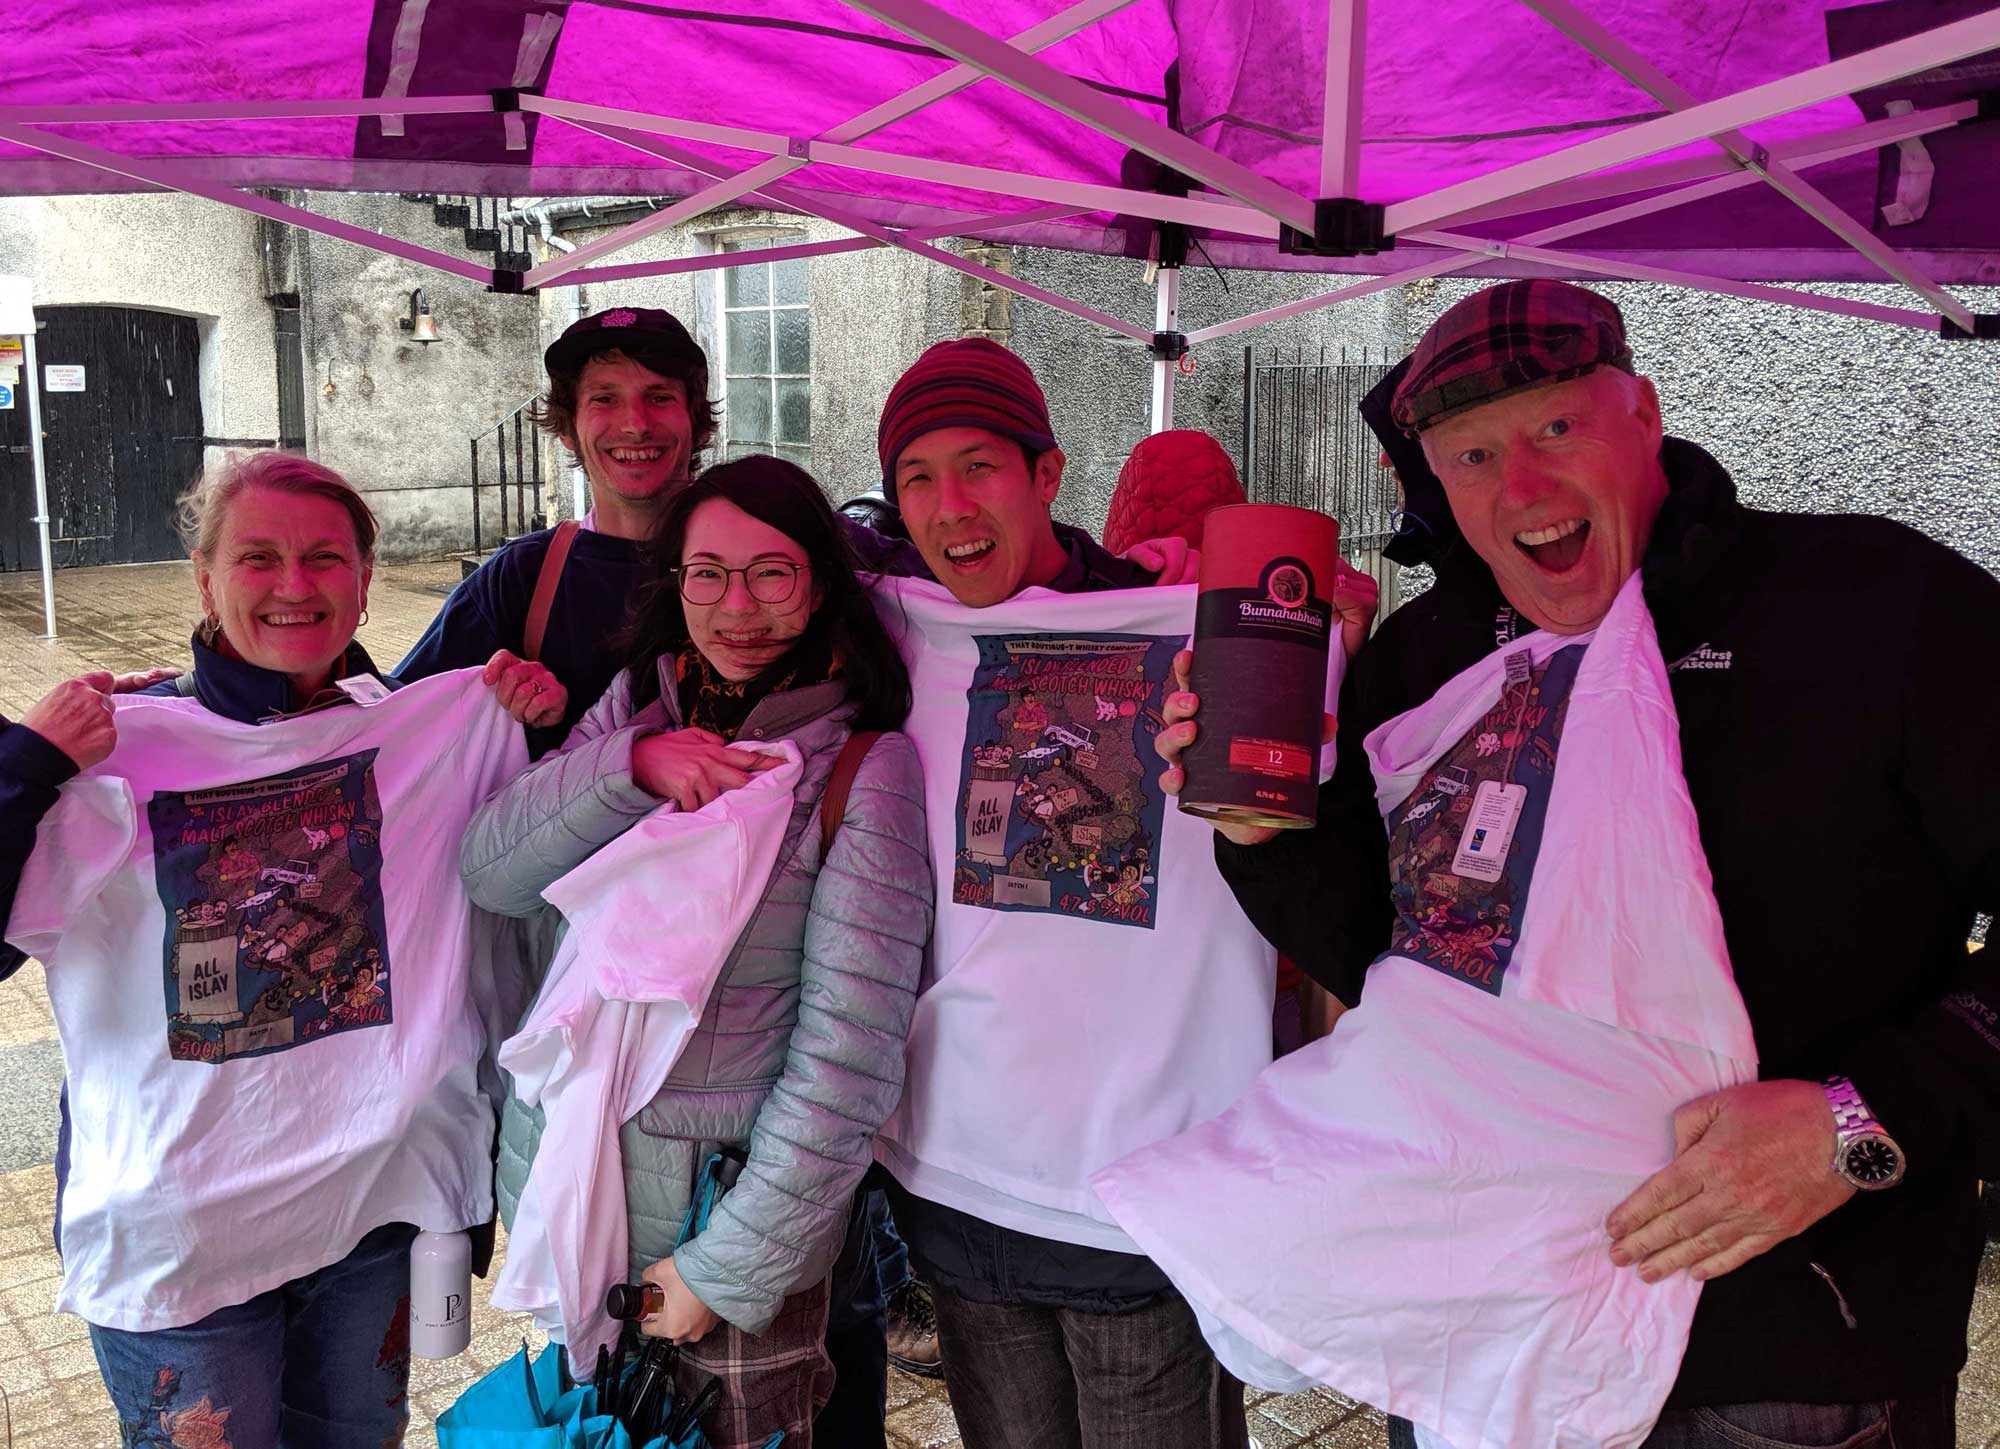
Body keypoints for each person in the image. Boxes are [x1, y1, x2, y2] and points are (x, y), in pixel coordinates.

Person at [1160, 279, 2000, 1447]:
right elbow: (1385, 956)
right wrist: (1260, 833)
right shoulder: (1426, 660)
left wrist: (1856, 1120)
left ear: (1642, 416)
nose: (1521, 486)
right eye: (1471, 456)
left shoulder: (1873, 608)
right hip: (1472, 1335)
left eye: (1556, 427)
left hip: (1783, 1362)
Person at [866, 337, 1375, 1449]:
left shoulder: (1195, 627)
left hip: (1146, 1187)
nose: (951, 506)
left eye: (980, 466)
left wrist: (1319, 641)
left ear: (1048, 475)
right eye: (918, 477)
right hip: (951, 1172)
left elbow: (1318, 852)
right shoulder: (894, 628)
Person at [0, 451, 561, 1445]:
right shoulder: (113, 755)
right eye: (258, 557)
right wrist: (27, 765)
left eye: (324, 558)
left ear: (365, 579)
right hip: (182, 1241)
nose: (294, 585)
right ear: (204, 577)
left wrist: (537, 725)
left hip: (371, 1209)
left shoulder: (432, 730)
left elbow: (539, 861)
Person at [460, 455, 933, 1449]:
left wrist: (725, 1269)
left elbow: (848, 1060)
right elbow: (491, 872)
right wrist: (630, 768)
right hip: (577, 1199)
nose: (738, 607)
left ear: (820, 585)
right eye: (707, 573)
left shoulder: (859, 769)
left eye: (773, 573)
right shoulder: (642, 708)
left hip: (716, 1229)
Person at [398, 306, 714, 757]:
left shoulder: (761, 558)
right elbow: (399, 716)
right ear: (567, 428)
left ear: (695, 421)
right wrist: (495, 703)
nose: (636, 425)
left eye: (660, 397)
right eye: (604, 399)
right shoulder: (522, 577)